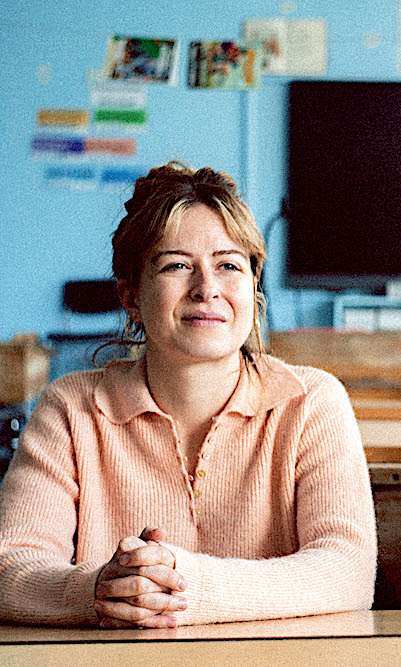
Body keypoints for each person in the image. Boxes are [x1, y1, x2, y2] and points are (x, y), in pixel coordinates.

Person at [0, 162, 377, 627]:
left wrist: (184, 586)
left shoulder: (312, 401)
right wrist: (98, 591)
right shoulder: (69, 408)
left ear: (254, 290)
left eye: (229, 265)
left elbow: (347, 571)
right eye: (177, 265)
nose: (207, 289)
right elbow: (10, 567)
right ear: (131, 295)